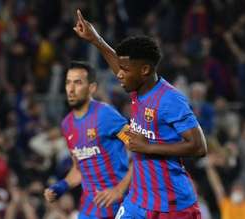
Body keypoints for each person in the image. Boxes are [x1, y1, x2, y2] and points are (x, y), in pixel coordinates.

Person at [74, 10, 207, 219]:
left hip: (173, 205)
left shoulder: (170, 100)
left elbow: (199, 147)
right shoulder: (138, 89)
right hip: (138, 201)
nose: (119, 73)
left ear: (144, 70)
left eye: (125, 69)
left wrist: (148, 147)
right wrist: (95, 39)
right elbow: (118, 64)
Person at [44, 61, 132, 219]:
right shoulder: (67, 125)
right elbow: (79, 168)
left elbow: (143, 151)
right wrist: (61, 187)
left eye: (78, 83)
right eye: (68, 83)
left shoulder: (106, 115)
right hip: (90, 211)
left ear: (92, 88)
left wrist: (119, 189)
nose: (71, 89)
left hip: (121, 207)